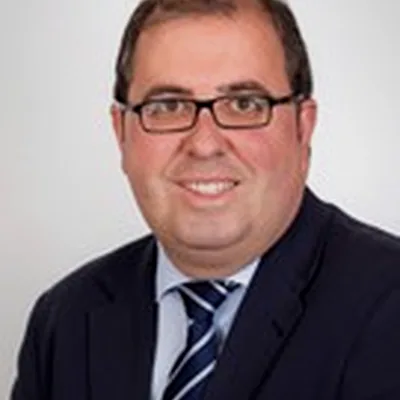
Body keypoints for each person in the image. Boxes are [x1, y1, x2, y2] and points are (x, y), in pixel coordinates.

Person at [11, 0, 400, 399]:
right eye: (168, 106)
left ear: (303, 128)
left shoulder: (389, 306)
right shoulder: (65, 321)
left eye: (244, 104)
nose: (204, 144)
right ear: (121, 133)